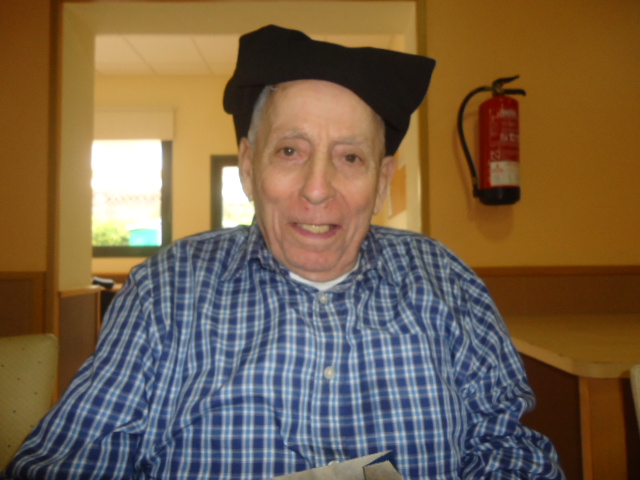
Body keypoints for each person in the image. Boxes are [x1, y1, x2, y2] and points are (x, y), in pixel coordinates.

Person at [3, 25, 565, 479]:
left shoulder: (446, 281)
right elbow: (66, 463)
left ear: (382, 181)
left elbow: (509, 451)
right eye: (291, 151)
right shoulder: (166, 289)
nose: (317, 189)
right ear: (248, 167)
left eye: (350, 157)